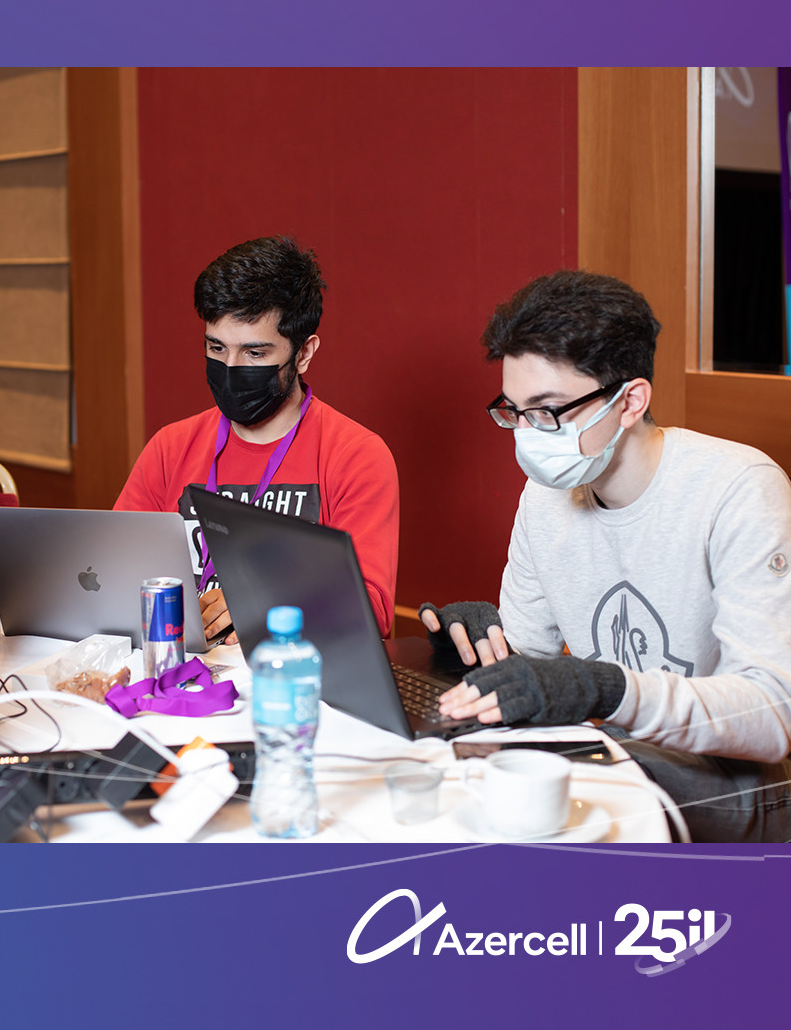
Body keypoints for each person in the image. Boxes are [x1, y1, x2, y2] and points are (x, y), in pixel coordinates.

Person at [421, 270, 791, 841]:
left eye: (548, 410)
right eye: (514, 411)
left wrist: (608, 689)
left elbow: (770, 715)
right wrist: (475, 650)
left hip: (735, 782)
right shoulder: (546, 496)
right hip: (608, 748)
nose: (528, 433)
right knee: (452, 773)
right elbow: (532, 663)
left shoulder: (739, 489)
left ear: (630, 401)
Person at [115, 235, 399, 644]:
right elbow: (115, 570)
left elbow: (373, 611)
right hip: (181, 659)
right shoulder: (169, 447)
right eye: (217, 348)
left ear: (303, 354)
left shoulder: (356, 455)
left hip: (285, 664)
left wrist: (263, 601)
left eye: (254, 353)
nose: (230, 368)